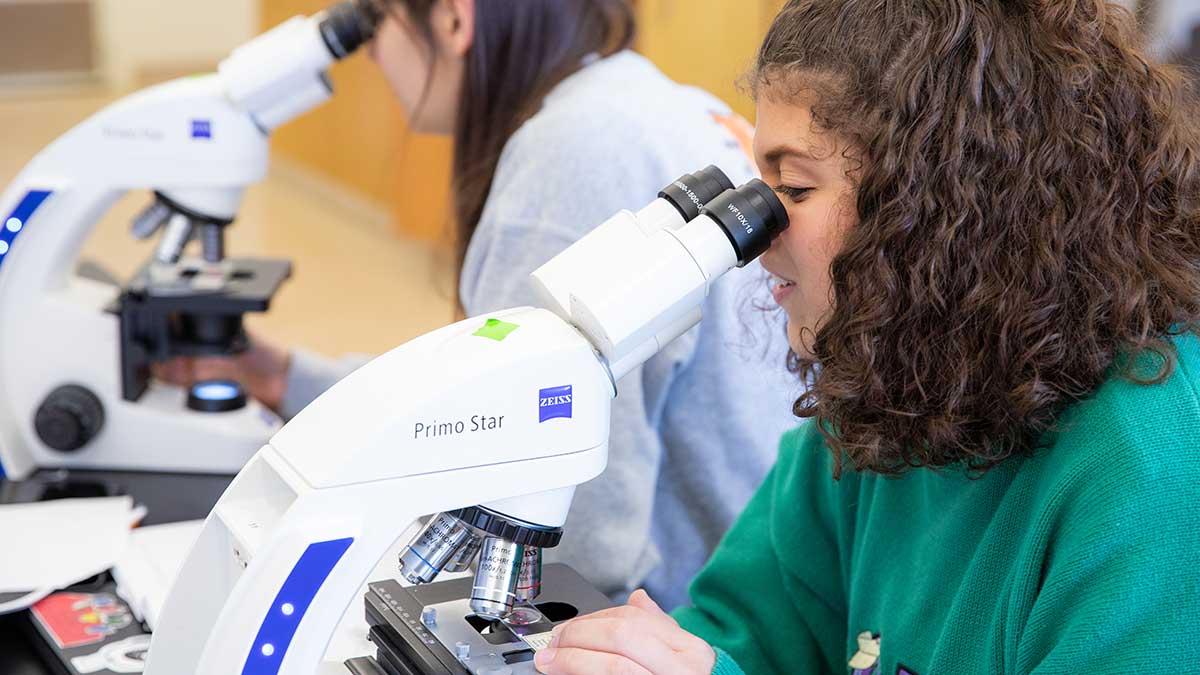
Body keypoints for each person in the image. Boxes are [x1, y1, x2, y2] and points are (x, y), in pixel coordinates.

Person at [533, 1, 1200, 673]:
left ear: (937, 202)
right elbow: (741, 637)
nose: (759, 245)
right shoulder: (892, 405)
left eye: (793, 187)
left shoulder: (1149, 473)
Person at [159, 0, 797, 610]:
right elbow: (489, 388)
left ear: (455, 17)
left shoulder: (574, 153)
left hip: (671, 622)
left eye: (375, 24)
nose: (372, 55)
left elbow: (577, 534)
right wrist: (281, 377)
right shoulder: (648, 101)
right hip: (752, 592)